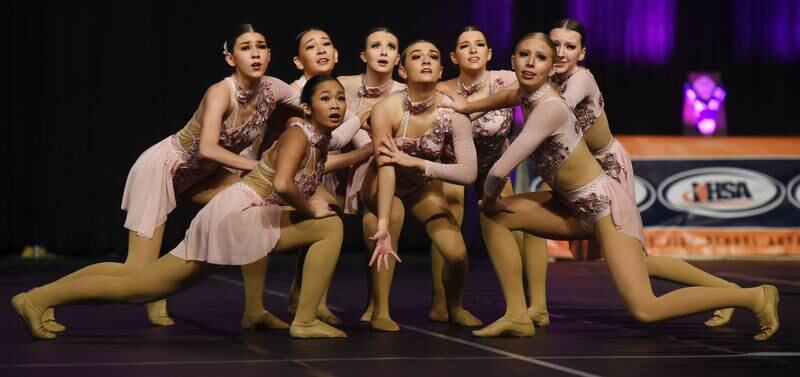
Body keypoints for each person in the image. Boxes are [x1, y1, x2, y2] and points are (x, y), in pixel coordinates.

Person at [441, 33, 780, 340]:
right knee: (499, 218)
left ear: (550, 68)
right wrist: (464, 106)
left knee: (645, 308)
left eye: (540, 58)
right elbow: (506, 96)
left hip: (605, 208)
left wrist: (486, 199)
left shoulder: (551, 108)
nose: (531, 63)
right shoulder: (525, 94)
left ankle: (752, 296)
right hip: (570, 205)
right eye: (524, 55)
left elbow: (501, 169)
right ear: (512, 62)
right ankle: (517, 314)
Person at [11, 74, 351, 340]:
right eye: (325, 98)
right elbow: (282, 184)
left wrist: (364, 157)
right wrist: (309, 208)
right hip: (235, 214)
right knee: (138, 285)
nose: (335, 104)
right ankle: (305, 319)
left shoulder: (316, 140)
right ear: (306, 108)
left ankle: (39, 298)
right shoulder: (299, 135)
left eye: (340, 99)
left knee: (142, 285)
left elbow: (306, 176)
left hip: (243, 213)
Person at [40, 24, 303, 332]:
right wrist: (257, 166)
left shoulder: (274, 88)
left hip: (202, 177)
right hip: (164, 168)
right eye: (246, 47)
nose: (256, 53)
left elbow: (309, 111)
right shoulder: (220, 93)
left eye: (261, 46)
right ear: (230, 58)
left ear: (270, 54)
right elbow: (206, 148)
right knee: (136, 269)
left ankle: (254, 308)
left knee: (255, 205)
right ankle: (42, 298)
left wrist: (302, 122)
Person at [359, 40, 482, 331]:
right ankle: (381, 311)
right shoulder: (386, 109)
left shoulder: (453, 112)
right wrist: (385, 222)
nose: (426, 60)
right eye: (417, 56)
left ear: (441, 70)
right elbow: (386, 166)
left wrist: (415, 163)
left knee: (456, 253)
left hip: (422, 185)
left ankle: (454, 306)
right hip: (381, 182)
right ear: (403, 70)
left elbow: (468, 173)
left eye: (433, 56)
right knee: (392, 220)